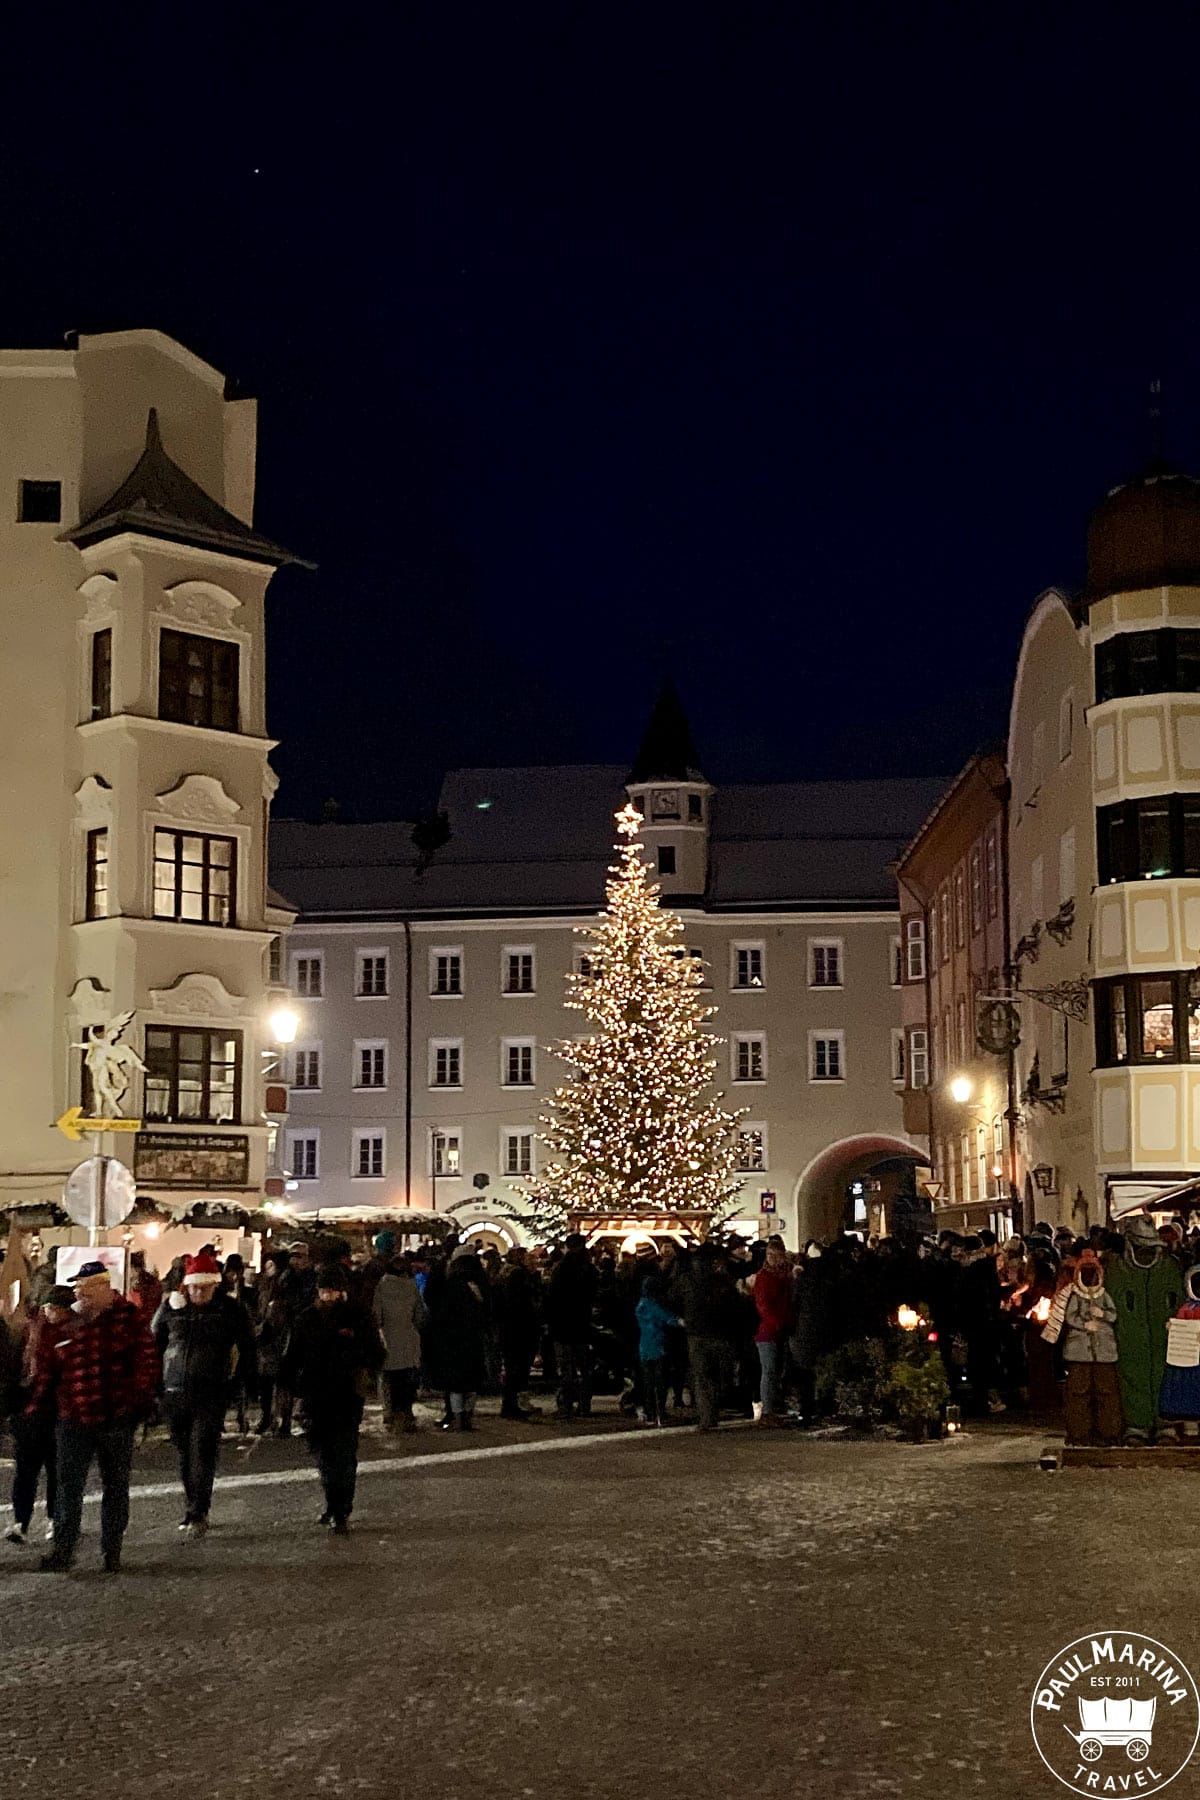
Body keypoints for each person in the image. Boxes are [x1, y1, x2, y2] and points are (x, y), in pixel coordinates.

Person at [36, 1261, 160, 1575]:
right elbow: (49, 1367)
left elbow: (146, 1363)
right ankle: (63, 1549)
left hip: (115, 1417)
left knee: (115, 1485)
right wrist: (38, 1404)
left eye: (85, 1287)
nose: (78, 1292)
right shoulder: (68, 1322)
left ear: (104, 1287)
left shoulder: (128, 1319)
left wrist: (135, 1405)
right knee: (67, 1487)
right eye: (77, 1287)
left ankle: (111, 1549)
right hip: (73, 1418)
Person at [152, 1251, 258, 1538]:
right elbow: (154, 1346)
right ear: (186, 1285)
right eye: (195, 1287)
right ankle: (192, 1502)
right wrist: (155, 1387)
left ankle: (198, 1510)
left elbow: (248, 1348)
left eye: (205, 1287)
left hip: (211, 1393)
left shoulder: (229, 1309)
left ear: (214, 1285)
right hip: (174, 1392)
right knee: (185, 1452)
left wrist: (238, 1384)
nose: (199, 1292)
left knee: (203, 1451)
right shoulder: (172, 1309)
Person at [280, 1264, 383, 1534]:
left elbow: (375, 1352)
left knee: (345, 1453)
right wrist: (290, 1385)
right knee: (324, 1454)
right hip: (316, 1394)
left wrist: (357, 1357)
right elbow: (292, 1356)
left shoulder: (358, 1317)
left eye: (333, 1291)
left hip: (347, 1393)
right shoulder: (307, 1318)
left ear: (342, 1291)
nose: (329, 1296)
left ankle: (342, 1509)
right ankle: (332, 1502)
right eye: (325, 1291)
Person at [5, 1286, 75, 1546]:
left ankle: (54, 1520)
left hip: (61, 1413)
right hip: (32, 1413)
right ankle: (20, 1522)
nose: (51, 1313)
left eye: (57, 1308)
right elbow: (17, 1370)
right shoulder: (31, 1333)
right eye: (48, 1308)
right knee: (26, 1471)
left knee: (57, 1471)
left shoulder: (73, 1333)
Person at [424, 1245, 490, 1430]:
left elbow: (436, 1305)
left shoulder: (450, 1282)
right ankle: (466, 1418)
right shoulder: (479, 1281)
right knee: (470, 1381)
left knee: (455, 1382)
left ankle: (458, 1417)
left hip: (452, 1338)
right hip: (473, 1337)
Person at [546, 1233, 599, 1419]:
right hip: (582, 1325)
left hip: (563, 1325)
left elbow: (552, 1297)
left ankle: (567, 1404)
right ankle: (585, 1405)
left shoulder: (561, 1268)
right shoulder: (589, 1269)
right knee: (585, 1369)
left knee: (567, 1369)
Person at [373, 1252, 425, 1431]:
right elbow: (419, 1314)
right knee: (407, 1380)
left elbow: (377, 1316)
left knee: (388, 1378)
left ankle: (390, 1413)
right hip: (408, 1338)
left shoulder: (382, 1286)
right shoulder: (411, 1287)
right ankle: (406, 1413)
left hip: (388, 1338)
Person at [494, 1246, 542, 1420]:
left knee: (513, 1368)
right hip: (520, 1329)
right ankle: (511, 1406)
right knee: (518, 1369)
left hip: (509, 1328)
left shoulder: (504, 1275)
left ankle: (511, 1404)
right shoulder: (518, 1276)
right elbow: (524, 1304)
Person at [750, 1239, 793, 1423]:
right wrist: (777, 1324)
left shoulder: (785, 1275)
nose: (773, 1259)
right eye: (769, 1255)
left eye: (776, 1255)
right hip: (769, 1331)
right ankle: (767, 1410)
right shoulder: (764, 1277)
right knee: (769, 1371)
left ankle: (773, 1406)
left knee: (776, 1371)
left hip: (781, 1329)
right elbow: (763, 1306)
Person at [635, 1275, 684, 1427]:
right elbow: (668, 1318)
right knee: (660, 1382)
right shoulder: (655, 1306)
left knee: (648, 1382)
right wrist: (680, 1321)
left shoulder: (641, 1306)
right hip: (658, 1346)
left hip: (644, 1346)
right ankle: (660, 1411)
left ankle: (650, 1412)